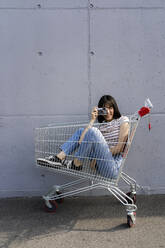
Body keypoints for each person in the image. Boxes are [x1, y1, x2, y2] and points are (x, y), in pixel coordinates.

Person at [37, 95, 129, 179]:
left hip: (112, 166)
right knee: (82, 131)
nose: (108, 112)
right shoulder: (101, 126)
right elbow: (81, 142)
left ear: (114, 108)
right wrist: (92, 120)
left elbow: (120, 148)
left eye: (110, 108)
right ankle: (59, 157)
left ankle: (76, 163)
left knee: (93, 131)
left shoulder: (122, 120)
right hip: (101, 165)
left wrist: (97, 158)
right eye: (104, 109)